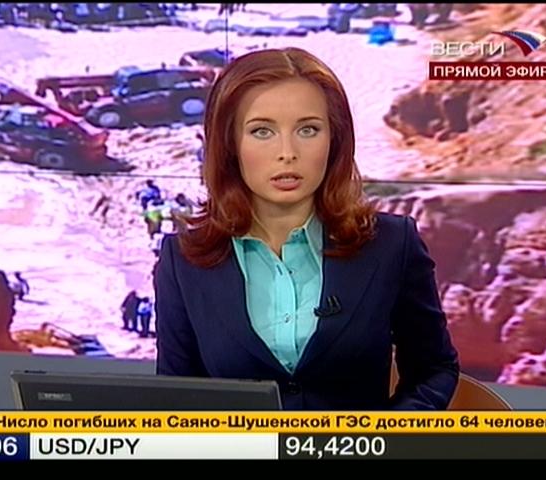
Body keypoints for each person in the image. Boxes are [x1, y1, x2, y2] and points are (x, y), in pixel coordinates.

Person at [153, 47, 459, 410]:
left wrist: (385, 435)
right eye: (262, 131)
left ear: (334, 140)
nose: (287, 152)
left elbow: (433, 370)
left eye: (308, 129)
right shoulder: (183, 261)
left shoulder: (392, 245)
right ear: (229, 144)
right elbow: (176, 402)